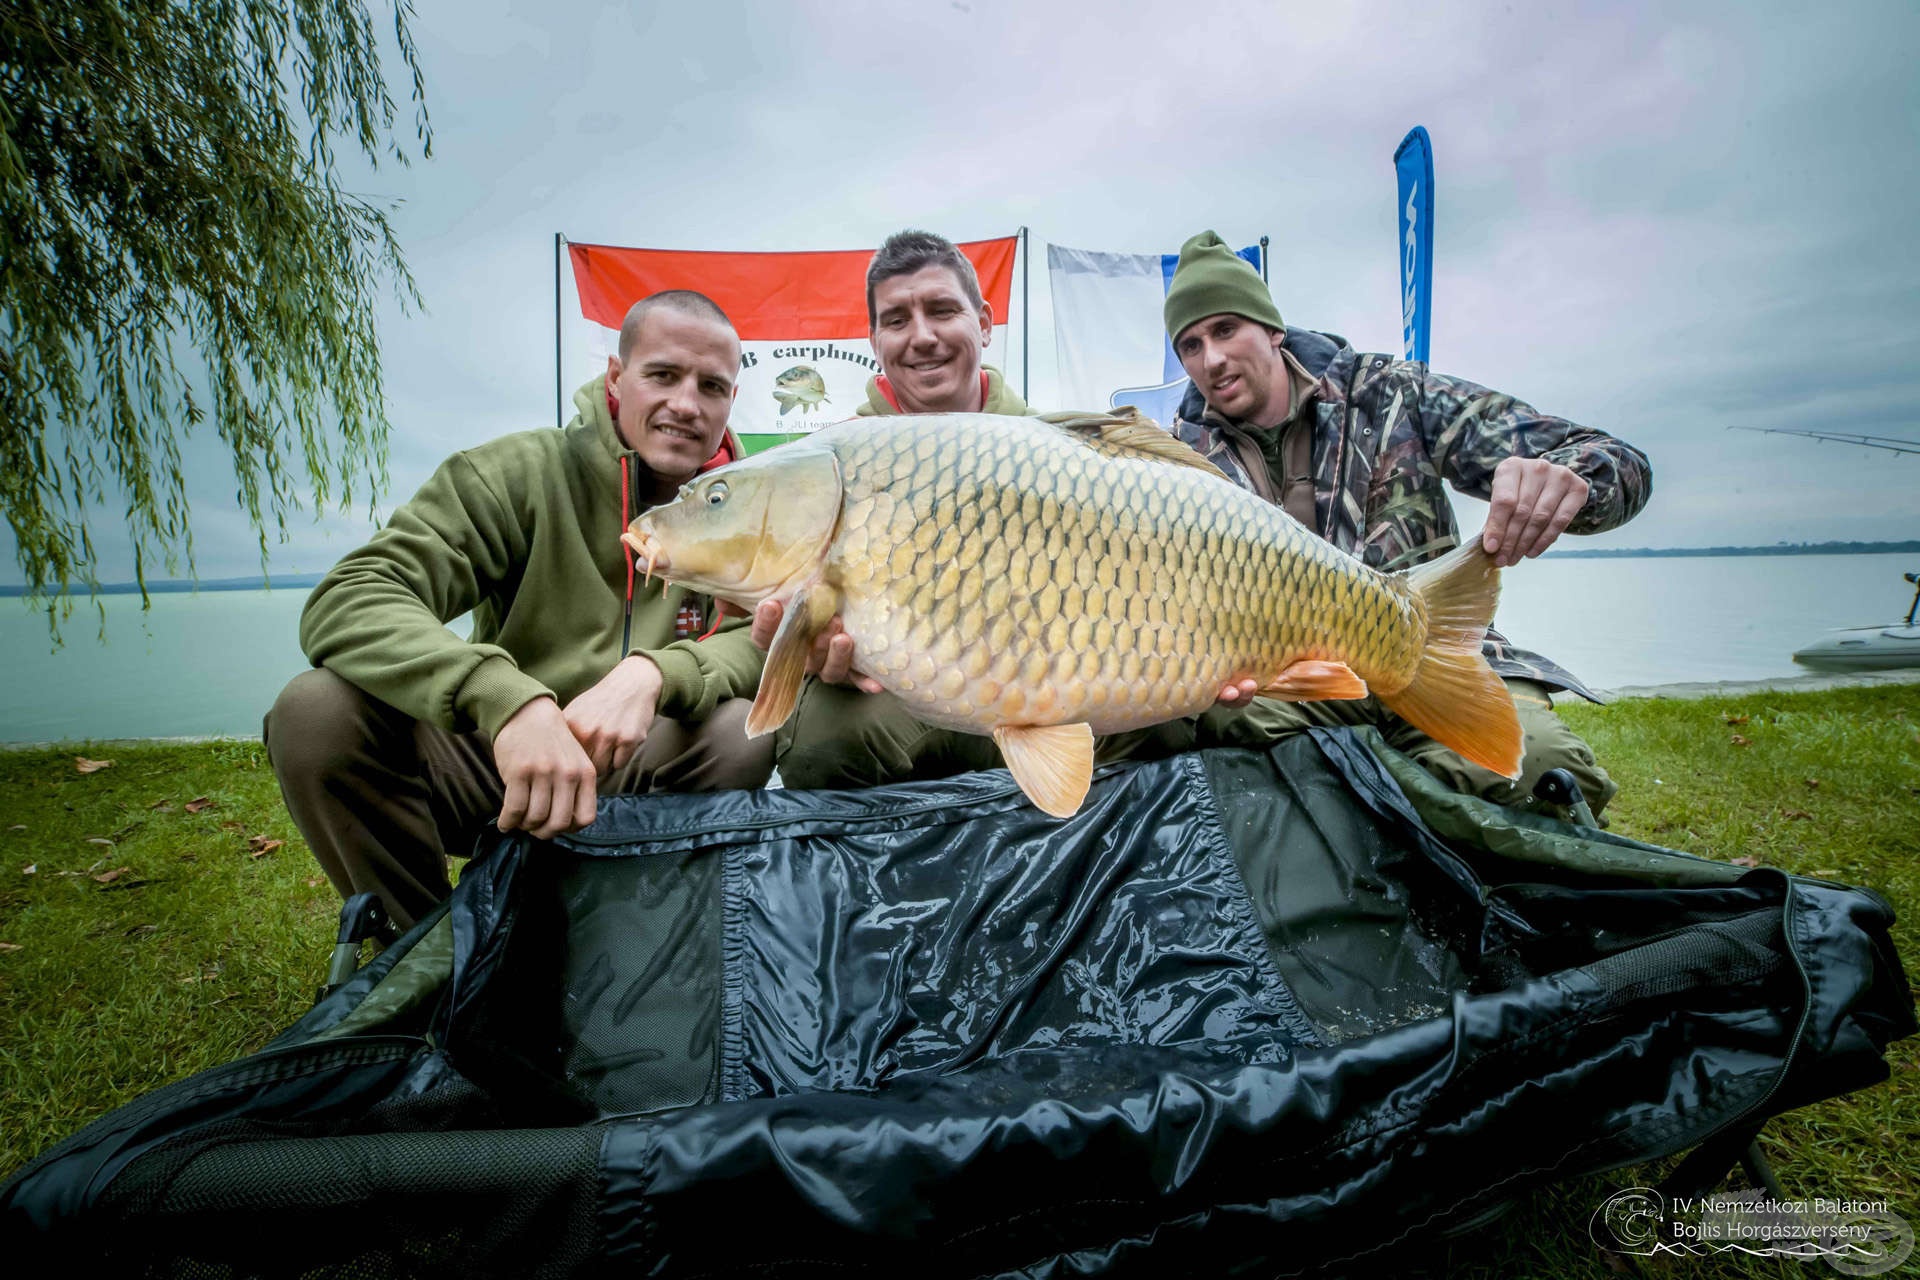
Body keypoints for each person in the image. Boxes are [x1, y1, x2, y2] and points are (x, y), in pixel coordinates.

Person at [265, 291, 771, 932]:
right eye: (663, 375)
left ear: (731, 401)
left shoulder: (758, 500)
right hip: (499, 765)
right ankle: (425, 959)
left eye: (711, 386)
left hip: (644, 758)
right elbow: (356, 593)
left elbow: (762, 639)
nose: (686, 404)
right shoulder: (515, 473)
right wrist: (507, 700)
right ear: (617, 378)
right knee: (316, 710)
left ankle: (646, 941)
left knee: (739, 732)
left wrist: (652, 674)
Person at [1160, 230, 1653, 817]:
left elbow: (1613, 458)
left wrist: (1572, 483)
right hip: (1286, 685)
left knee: (1540, 768)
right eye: (1190, 345)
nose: (1210, 359)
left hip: (1427, 652)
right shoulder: (1176, 461)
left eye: (1224, 330)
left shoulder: (1390, 393)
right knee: (1131, 733)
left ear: (1272, 329)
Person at [761, 229, 1270, 790]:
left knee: (1179, 717)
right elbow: (763, 626)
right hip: (914, 700)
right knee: (820, 734)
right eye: (898, 320)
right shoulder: (834, 462)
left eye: (942, 310)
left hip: (1068, 688)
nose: (923, 336)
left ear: (983, 322)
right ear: (875, 338)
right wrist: (798, 649)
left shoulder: (1054, 453)